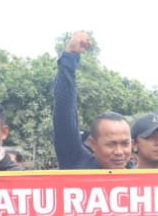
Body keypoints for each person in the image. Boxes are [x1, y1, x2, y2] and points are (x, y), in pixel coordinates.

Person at [52, 31, 133, 170]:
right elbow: (64, 115)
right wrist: (70, 56)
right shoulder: (78, 162)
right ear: (93, 144)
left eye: (125, 144)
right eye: (111, 144)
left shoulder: (140, 176)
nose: (119, 152)